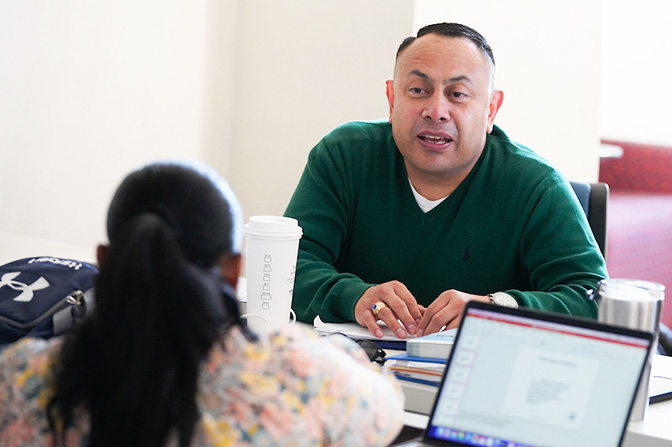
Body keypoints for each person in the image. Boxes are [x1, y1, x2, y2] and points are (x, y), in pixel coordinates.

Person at [0, 161, 403, 447]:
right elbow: (387, 413)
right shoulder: (305, 379)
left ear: (105, 261)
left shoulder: (20, 376)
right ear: (233, 271)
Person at [284, 22, 607, 339]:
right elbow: (284, 266)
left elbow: (593, 299)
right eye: (418, 91)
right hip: (355, 374)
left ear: (491, 110)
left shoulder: (535, 185)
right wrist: (353, 296)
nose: (436, 111)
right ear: (392, 99)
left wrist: (495, 309)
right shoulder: (344, 156)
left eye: (457, 94)